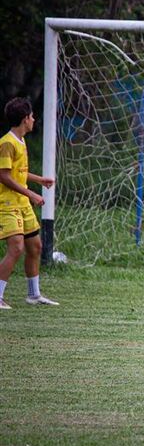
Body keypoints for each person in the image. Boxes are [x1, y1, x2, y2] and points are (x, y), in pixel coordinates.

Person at [0, 98, 58, 309]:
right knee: (16, 248)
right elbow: (4, 176)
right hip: (7, 203)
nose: (34, 120)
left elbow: (19, 173)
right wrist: (32, 194)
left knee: (35, 247)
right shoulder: (7, 143)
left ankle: (34, 295)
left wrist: (39, 180)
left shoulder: (20, 141)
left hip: (21, 203)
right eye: (32, 116)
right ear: (25, 119)